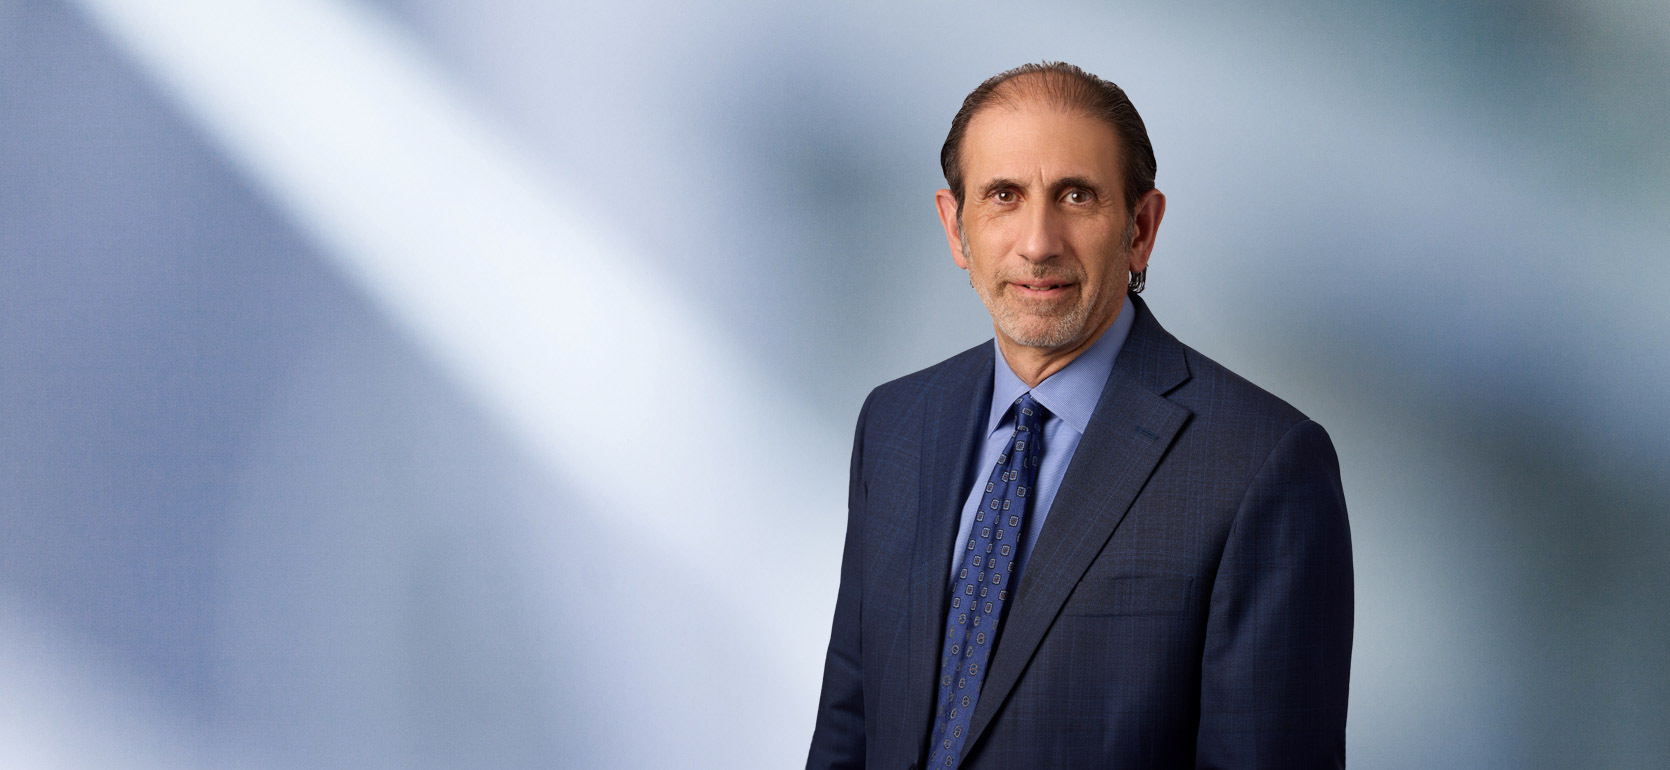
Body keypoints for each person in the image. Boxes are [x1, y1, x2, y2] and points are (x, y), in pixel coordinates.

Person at [805, 62, 1354, 769]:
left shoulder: (1262, 465)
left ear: (1141, 229)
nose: (1038, 242)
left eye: (1076, 196)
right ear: (955, 226)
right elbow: (847, 729)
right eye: (1004, 195)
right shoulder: (895, 424)